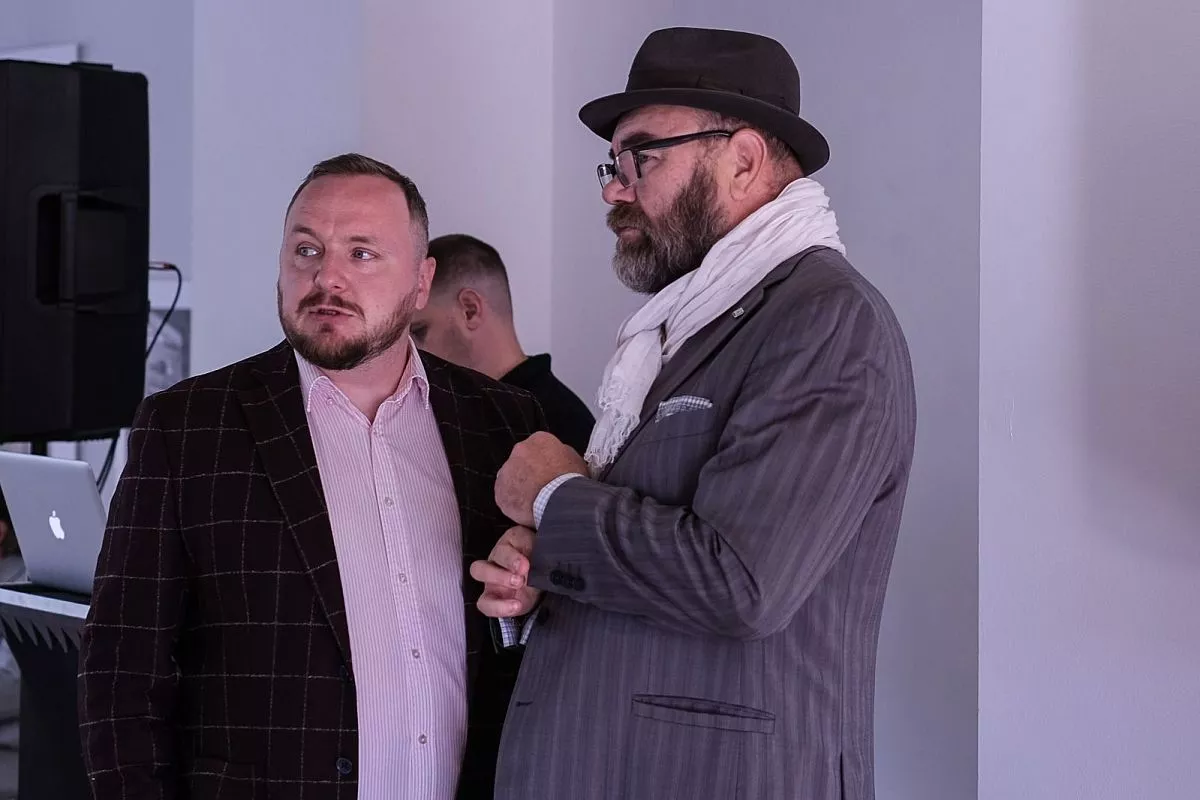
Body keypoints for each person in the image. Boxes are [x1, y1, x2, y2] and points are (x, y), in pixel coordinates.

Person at [471, 27, 917, 800]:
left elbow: (740, 582)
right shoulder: (687, 327)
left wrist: (555, 498)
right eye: (613, 164)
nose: (615, 189)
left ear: (742, 160)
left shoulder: (827, 323)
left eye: (642, 157)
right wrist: (544, 572)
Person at [77, 153, 545, 800]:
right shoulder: (186, 428)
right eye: (306, 250)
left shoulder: (501, 421)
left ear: (421, 280)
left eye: (362, 253)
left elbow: (535, 645)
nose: (326, 277)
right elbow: (121, 673)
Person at [410, 234, 594, 455]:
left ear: (470, 310)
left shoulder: (556, 426)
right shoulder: (473, 411)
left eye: (419, 331)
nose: (411, 350)